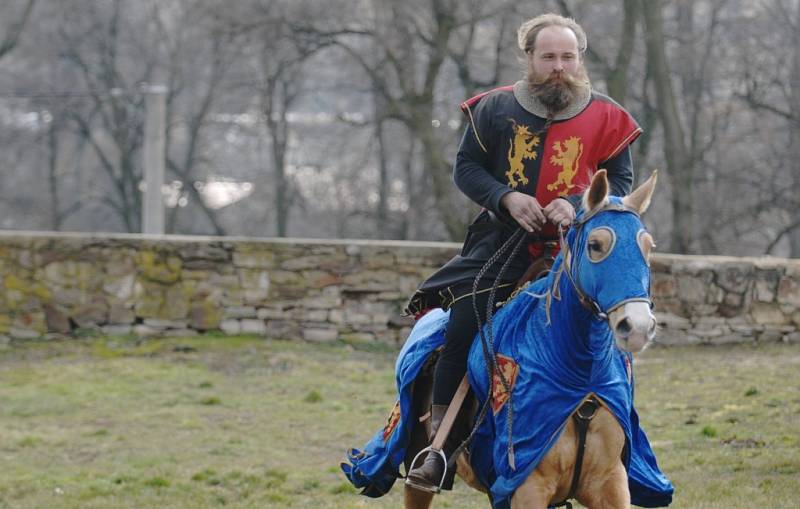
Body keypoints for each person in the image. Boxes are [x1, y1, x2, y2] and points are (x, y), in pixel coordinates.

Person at [404, 13, 641, 493]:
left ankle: (620, 452)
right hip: (501, 245)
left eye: (567, 57)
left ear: (580, 60)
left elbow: (620, 183)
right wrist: (506, 198)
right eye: (549, 56)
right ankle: (439, 450)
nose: (559, 67)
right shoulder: (492, 109)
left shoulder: (610, 117)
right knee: (465, 323)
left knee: (618, 330)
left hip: (576, 251)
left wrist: (573, 205)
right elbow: (466, 168)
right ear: (530, 58)